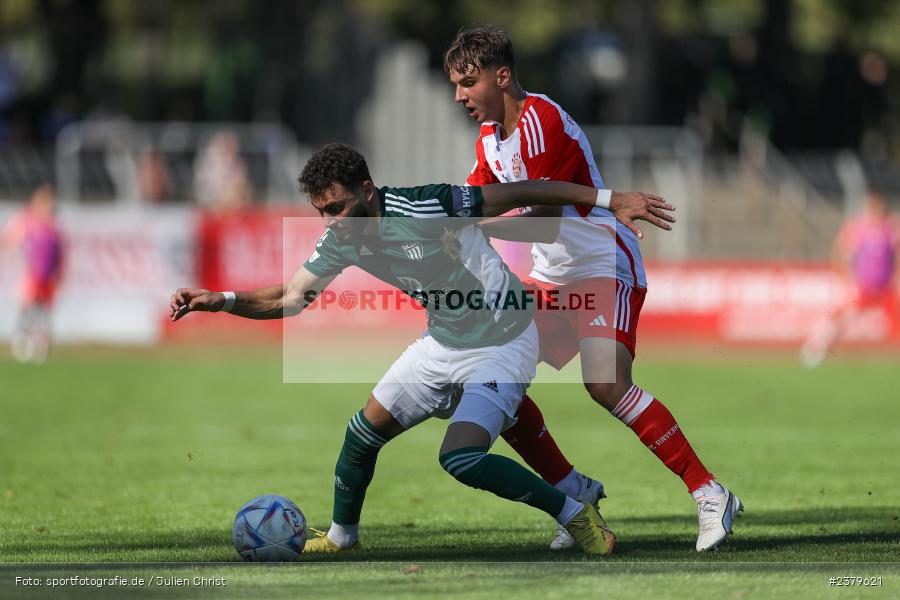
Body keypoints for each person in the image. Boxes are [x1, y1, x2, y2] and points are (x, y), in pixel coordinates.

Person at [170, 143, 674, 555]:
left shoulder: (428, 206)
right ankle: (343, 537)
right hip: (443, 343)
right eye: (321, 212)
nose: (330, 222)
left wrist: (609, 199)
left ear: (367, 191)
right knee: (361, 434)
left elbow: (524, 191)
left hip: (504, 341)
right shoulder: (341, 239)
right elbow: (289, 297)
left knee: (460, 457)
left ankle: (573, 512)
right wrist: (221, 300)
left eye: (337, 208)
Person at [444, 26, 742, 552]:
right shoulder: (489, 137)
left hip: (603, 264)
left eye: (468, 83)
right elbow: (470, 200)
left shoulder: (540, 122)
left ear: (502, 76)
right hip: (552, 277)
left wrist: (478, 230)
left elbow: (546, 221)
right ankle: (573, 493)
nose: (459, 96)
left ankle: (709, 492)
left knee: (606, 384)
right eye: (455, 85)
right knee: (494, 380)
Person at [801, 190, 900, 367]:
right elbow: (839, 251)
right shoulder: (857, 228)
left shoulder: (890, 228)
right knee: (844, 317)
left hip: (885, 286)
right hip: (863, 286)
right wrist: (844, 275)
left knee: (896, 320)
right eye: (872, 207)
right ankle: (818, 346)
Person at [2, 184, 63, 364]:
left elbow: (59, 256)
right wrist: (16, 259)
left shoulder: (53, 230)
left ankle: (40, 344)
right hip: (33, 276)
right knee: (28, 310)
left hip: (47, 278)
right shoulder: (28, 223)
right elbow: (10, 240)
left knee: (43, 313)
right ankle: (22, 341)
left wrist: (58, 274)